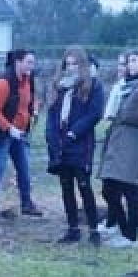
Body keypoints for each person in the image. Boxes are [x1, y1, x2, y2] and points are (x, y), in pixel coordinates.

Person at [97, 50, 138, 248]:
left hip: (130, 140)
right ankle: (119, 224)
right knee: (109, 187)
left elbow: (128, 115)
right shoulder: (126, 86)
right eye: (128, 61)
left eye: (133, 60)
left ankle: (130, 234)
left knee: (129, 187)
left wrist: (125, 103)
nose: (128, 64)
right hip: (117, 138)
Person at [46, 46, 105, 245]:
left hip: (81, 143)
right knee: (66, 186)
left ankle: (94, 229)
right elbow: (52, 114)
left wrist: (74, 132)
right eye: (68, 64)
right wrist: (53, 137)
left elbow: (95, 114)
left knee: (84, 185)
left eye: (75, 64)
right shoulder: (59, 87)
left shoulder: (93, 85)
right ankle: (72, 229)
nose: (71, 68)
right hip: (61, 143)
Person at [0, 49, 42, 216]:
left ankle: (26, 203)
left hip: (21, 133)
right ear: (18, 62)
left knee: (24, 168)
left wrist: (35, 110)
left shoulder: (28, 79)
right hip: (1, 134)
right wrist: (9, 129)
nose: (32, 66)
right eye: (29, 62)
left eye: (33, 62)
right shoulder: (4, 82)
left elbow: (30, 100)